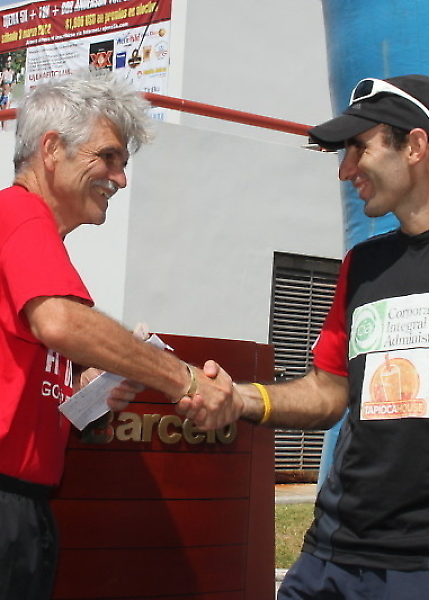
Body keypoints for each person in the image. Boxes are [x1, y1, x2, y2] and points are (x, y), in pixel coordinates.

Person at [0, 70, 233, 600]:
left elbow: (17, 379)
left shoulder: (27, 236)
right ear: (51, 149)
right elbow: (62, 323)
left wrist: (90, 394)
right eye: (108, 157)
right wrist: (184, 379)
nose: (120, 178)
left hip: (14, 504)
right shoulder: (18, 215)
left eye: (123, 163)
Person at [179, 74, 429, 599]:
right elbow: (328, 392)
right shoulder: (364, 265)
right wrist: (240, 398)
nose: (345, 170)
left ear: (415, 146)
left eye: (358, 148)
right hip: (331, 555)